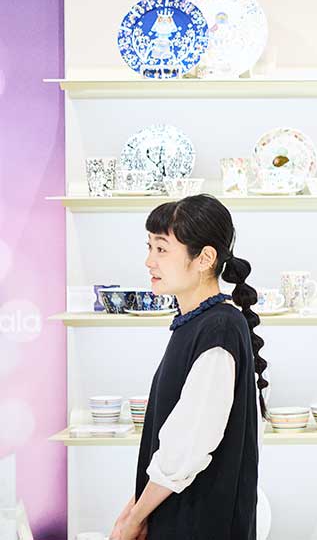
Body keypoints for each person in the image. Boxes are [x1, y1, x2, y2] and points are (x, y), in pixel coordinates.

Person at [110, 194, 268, 540]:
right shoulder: (196, 323)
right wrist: (132, 511)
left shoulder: (218, 328)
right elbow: (175, 447)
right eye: (149, 247)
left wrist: (135, 518)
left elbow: (187, 448)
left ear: (205, 258)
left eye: (162, 249)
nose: (149, 261)